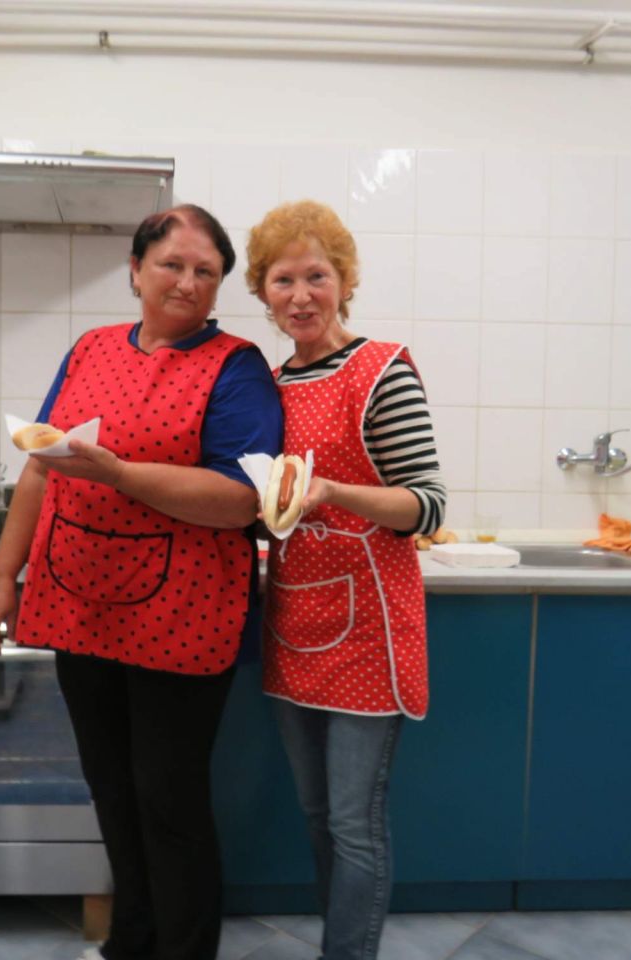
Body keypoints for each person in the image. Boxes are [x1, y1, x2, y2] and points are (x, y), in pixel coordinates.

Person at [0, 203, 283, 960]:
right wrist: (3, 576)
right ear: (136, 271)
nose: (187, 281)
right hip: (78, 601)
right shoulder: (90, 350)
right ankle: (131, 944)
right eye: (171, 264)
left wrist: (119, 473)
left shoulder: (237, 367)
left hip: (183, 614)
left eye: (205, 271)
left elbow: (239, 499)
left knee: (168, 801)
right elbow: (40, 468)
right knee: (112, 789)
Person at [245, 200, 447, 960]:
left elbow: (427, 505)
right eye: (283, 280)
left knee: (354, 822)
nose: (300, 296)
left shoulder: (380, 371)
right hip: (294, 618)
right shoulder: (267, 385)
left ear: (345, 281)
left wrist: (330, 491)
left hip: (367, 627)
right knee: (316, 812)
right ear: (263, 293)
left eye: (316, 276)